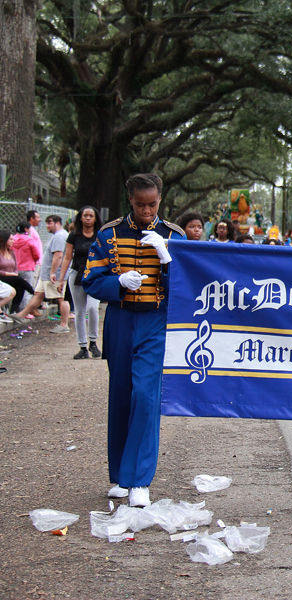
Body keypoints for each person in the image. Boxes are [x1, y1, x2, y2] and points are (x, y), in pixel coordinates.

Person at [82, 173, 186, 508]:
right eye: (140, 204)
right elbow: (90, 280)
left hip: (156, 321)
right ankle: (120, 476)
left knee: (145, 394)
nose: (146, 210)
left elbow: (187, 288)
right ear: (130, 199)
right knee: (122, 396)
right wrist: (117, 283)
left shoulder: (174, 235)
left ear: (160, 199)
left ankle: (139, 479)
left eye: (152, 204)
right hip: (121, 320)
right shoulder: (109, 233)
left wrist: (168, 259)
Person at [57, 206, 104, 359]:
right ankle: (82, 346)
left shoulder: (100, 235)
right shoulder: (74, 236)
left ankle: (93, 342)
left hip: (95, 275)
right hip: (77, 274)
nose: (88, 218)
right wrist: (61, 279)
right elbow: (67, 257)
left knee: (92, 308)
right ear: (81, 218)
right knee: (79, 311)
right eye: (85, 216)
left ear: (96, 218)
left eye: (91, 215)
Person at [13, 215, 71, 331]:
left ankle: (64, 325)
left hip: (54, 275)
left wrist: (52, 272)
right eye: (47, 223)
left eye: (50, 223)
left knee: (61, 298)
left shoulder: (60, 236)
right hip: (47, 274)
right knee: (38, 294)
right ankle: (20, 315)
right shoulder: (58, 236)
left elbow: (58, 255)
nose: (47, 226)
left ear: (57, 223)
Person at [0, 231, 34, 315]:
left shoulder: (12, 253)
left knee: (20, 285)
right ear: (4, 240)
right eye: (11, 239)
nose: (13, 241)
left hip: (12, 278)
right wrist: (11, 274)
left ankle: (13, 311)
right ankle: (34, 293)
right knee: (19, 280)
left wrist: (14, 275)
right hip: (2, 278)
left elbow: (16, 268)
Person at [10, 221, 42, 311]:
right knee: (27, 291)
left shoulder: (12, 239)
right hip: (27, 268)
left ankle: (13, 310)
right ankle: (23, 311)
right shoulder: (29, 240)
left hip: (14, 269)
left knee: (15, 290)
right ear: (26, 229)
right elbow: (37, 255)